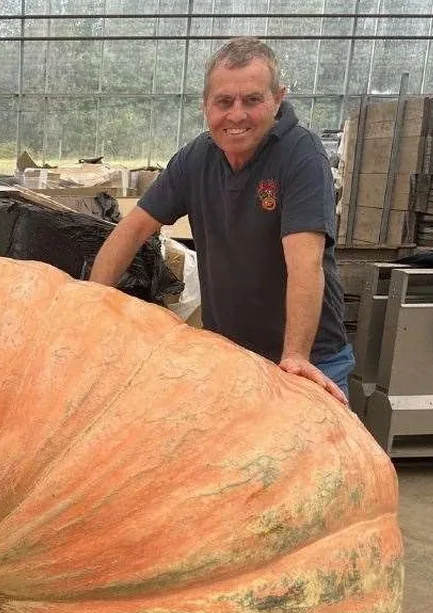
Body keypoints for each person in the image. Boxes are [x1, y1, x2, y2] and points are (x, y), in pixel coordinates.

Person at [90, 37, 351, 403]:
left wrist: (295, 357)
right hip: (231, 357)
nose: (237, 114)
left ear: (278, 98)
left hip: (306, 360)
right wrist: (91, 304)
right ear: (206, 106)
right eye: (224, 102)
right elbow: (133, 229)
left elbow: (305, 264)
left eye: (253, 100)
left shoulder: (302, 156)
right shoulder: (196, 158)